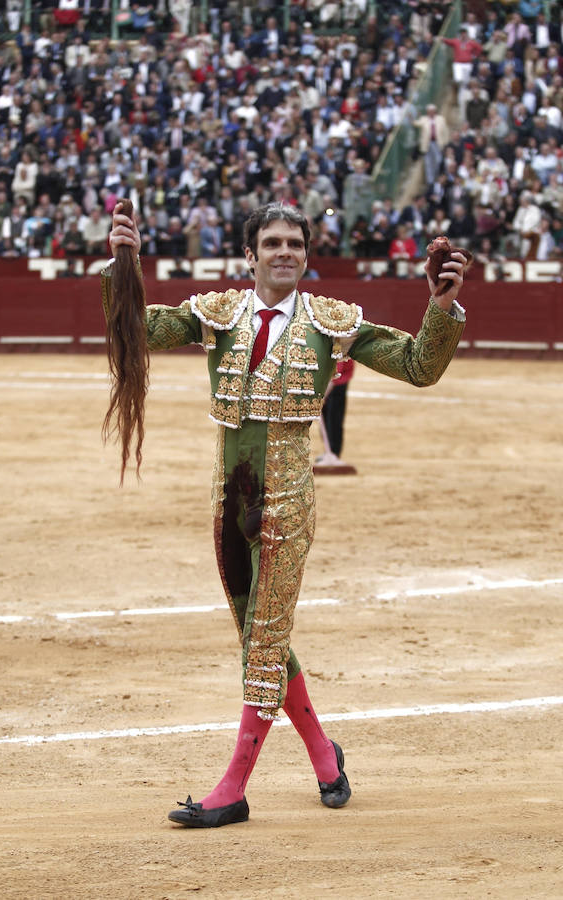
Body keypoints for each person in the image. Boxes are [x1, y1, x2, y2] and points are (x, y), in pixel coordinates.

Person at [102, 201, 469, 829]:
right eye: (271, 242)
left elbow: (420, 367)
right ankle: (326, 758)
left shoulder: (332, 323)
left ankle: (232, 789)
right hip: (228, 500)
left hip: (286, 503)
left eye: (294, 244)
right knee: (258, 636)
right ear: (251, 255)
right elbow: (139, 326)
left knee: (263, 640)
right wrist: (123, 263)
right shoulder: (218, 313)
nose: (284, 252)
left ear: (305, 255)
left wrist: (440, 309)